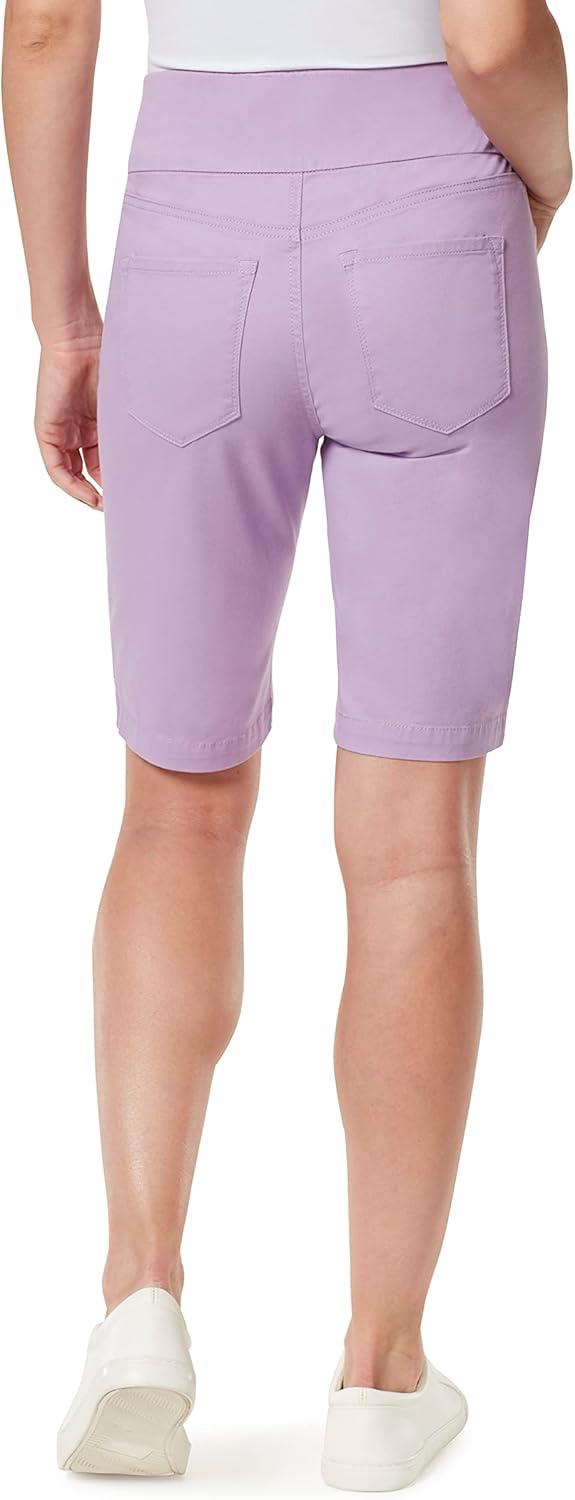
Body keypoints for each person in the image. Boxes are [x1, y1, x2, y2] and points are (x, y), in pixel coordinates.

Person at [2, 0, 571, 1489]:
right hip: (435, 217)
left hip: (189, 228)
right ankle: (381, 1376)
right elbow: (493, 37)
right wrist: (552, 166)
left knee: (175, 806)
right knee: (411, 851)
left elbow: (47, 24)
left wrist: (65, 320)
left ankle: (139, 1302)